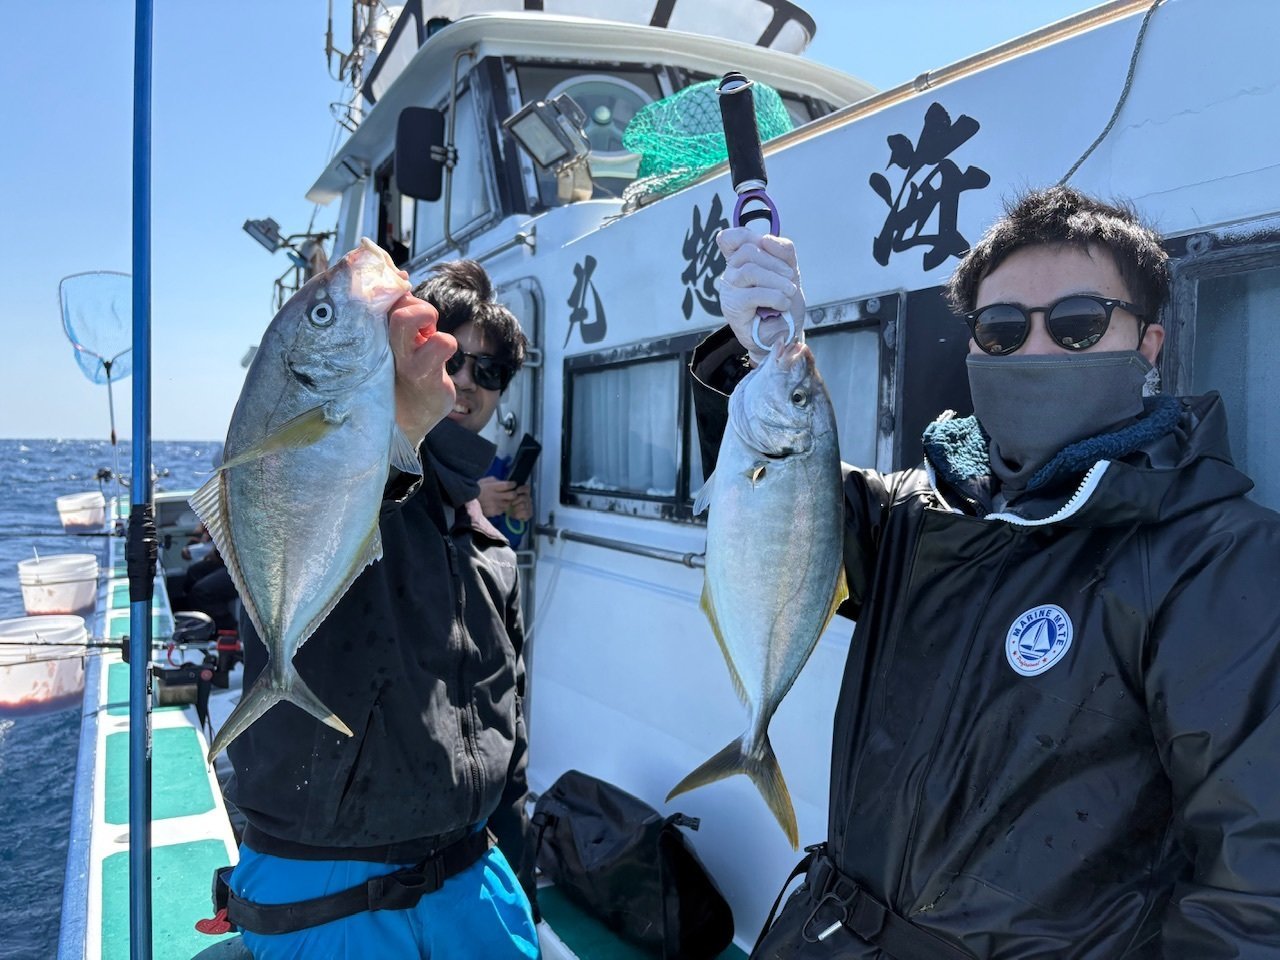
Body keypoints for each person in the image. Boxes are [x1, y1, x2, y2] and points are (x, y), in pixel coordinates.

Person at [693, 186, 1280, 958]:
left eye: (1077, 324)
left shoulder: (1217, 557)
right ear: (973, 349)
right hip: (824, 936)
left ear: (1148, 345)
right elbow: (773, 514)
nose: (1034, 351)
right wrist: (751, 349)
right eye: (1002, 329)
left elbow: (1252, 888)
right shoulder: (913, 514)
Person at [221, 258, 538, 959]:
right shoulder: (364, 477)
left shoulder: (491, 547)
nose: (466, 382)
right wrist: (403, 435)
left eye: (490, 372)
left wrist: (523, 877)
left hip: (476, 880)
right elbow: (333, 497)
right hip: (327, 894)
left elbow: (507, 731)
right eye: (448, 353)